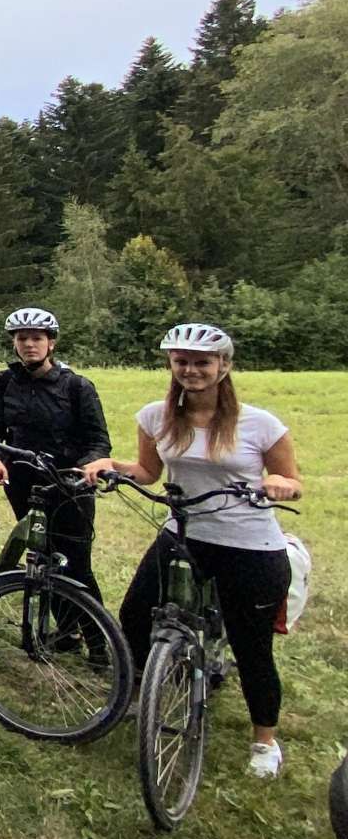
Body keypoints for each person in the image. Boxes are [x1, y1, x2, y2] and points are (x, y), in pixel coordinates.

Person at [82, 323, 303, 779]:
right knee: (135, 613)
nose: (191, 370)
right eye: (181, 361)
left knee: (252, 645)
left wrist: (280, 484)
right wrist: (110, 464)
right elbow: (148, 471)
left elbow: (291, 480)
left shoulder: (260, 424)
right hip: (183, 533)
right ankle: (141, 693)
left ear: (224, 365)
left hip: (248, 543)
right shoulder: (155, 417)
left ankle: (265, 741)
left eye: (202, 362)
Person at [0, 308, 111, 649]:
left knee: (76, 564)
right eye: (22, 339)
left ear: (51, 343)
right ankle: (67, 633)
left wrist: (88, 466)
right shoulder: (3, 382)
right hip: (23, 482)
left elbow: (98, 440)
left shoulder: (77, 386)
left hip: (70, 484)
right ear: (14, 343)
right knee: (42, 556)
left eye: (37, 338)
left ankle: (100, 644)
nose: (29, 345)